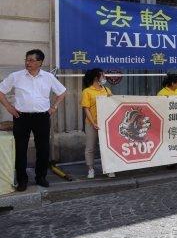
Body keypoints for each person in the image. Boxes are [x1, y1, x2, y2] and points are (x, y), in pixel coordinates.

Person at [0, 49, 66, 191]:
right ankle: (22, 180)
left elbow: (62, 92)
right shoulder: (16, 76)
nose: (27, 62)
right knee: (20, 149)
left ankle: (40, 177)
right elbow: (1, 91)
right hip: (21, 117)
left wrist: (54, 106)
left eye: (31, 60)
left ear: (40, 62)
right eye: (26, 59)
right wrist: (9, 107)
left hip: (41, 117)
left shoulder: (48, 77)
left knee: (43, 148)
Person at [81, 68, 114, 179]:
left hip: (105, 123)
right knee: (90, 147)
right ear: (96, 77)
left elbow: (113, 103)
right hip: (91, 124)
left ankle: (109, 168)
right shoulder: (87, 91)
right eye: (102, 75)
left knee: (107, 147)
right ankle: (90, 169)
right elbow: (86, 109)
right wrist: (93, 122)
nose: (104, 77)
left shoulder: (106, 90)